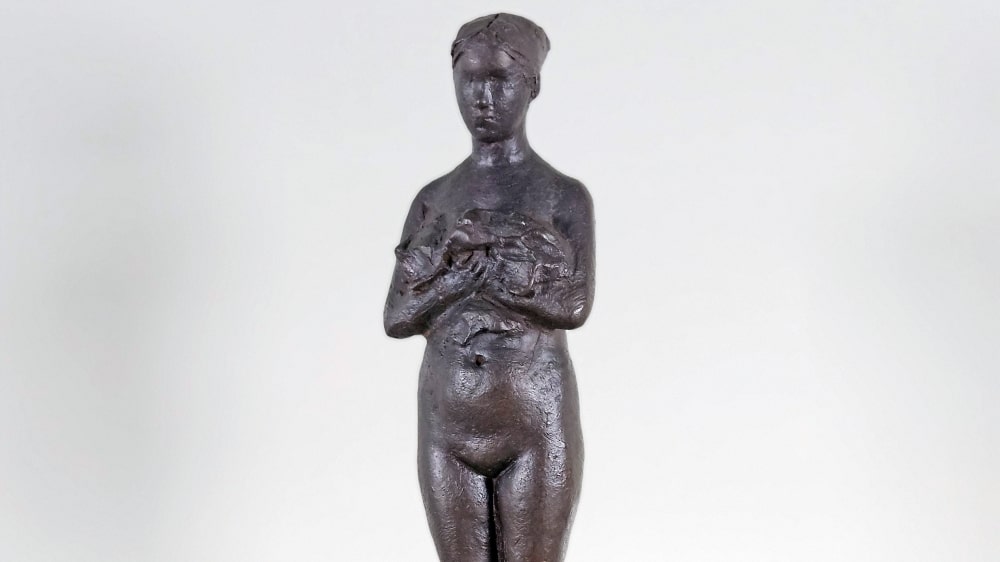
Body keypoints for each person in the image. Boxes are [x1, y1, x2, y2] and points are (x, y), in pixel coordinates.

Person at [383, 13, 595, 562]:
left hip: (532, 419)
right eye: (470, 80)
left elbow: (573, 306)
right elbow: (396, 317)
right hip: (448, 422)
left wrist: (476, 270)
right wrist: (464, 279)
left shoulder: (561, 195)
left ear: (532, 85)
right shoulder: (434, 198)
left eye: (500, 80)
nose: (482, 97)